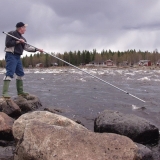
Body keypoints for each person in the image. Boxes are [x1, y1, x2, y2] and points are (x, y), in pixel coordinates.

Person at [2, 22, 43, 98]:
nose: (25, 30)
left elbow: (27, 48)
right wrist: (18, 41)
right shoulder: (11, 33)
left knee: (20, 73)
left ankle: (20, 92)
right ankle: (4, 93)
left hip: (18, 57)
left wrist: (37, 49)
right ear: (21, 28)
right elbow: (7, 44)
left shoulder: (23, 39)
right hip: (11, 55)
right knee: (10, 72)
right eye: (24, 28)